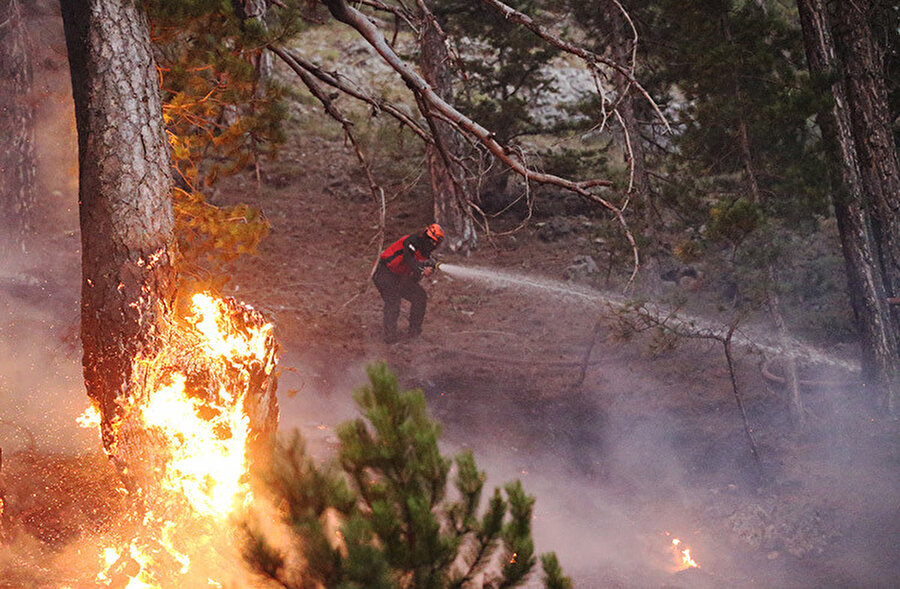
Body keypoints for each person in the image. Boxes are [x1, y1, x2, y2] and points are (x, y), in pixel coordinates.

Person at [373, 223, 444, 343]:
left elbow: (414, 277)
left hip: (399, 277)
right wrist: (422, 269)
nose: (433, 246)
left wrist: (423, 272)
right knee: (393, 300)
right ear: (427, 237)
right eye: (432, 242)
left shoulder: (425, 254)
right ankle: (390, 338)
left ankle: (414, 332)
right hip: (383, 271)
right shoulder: (411, 241)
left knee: (419, 296)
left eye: (436, 244)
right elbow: (408, 259)